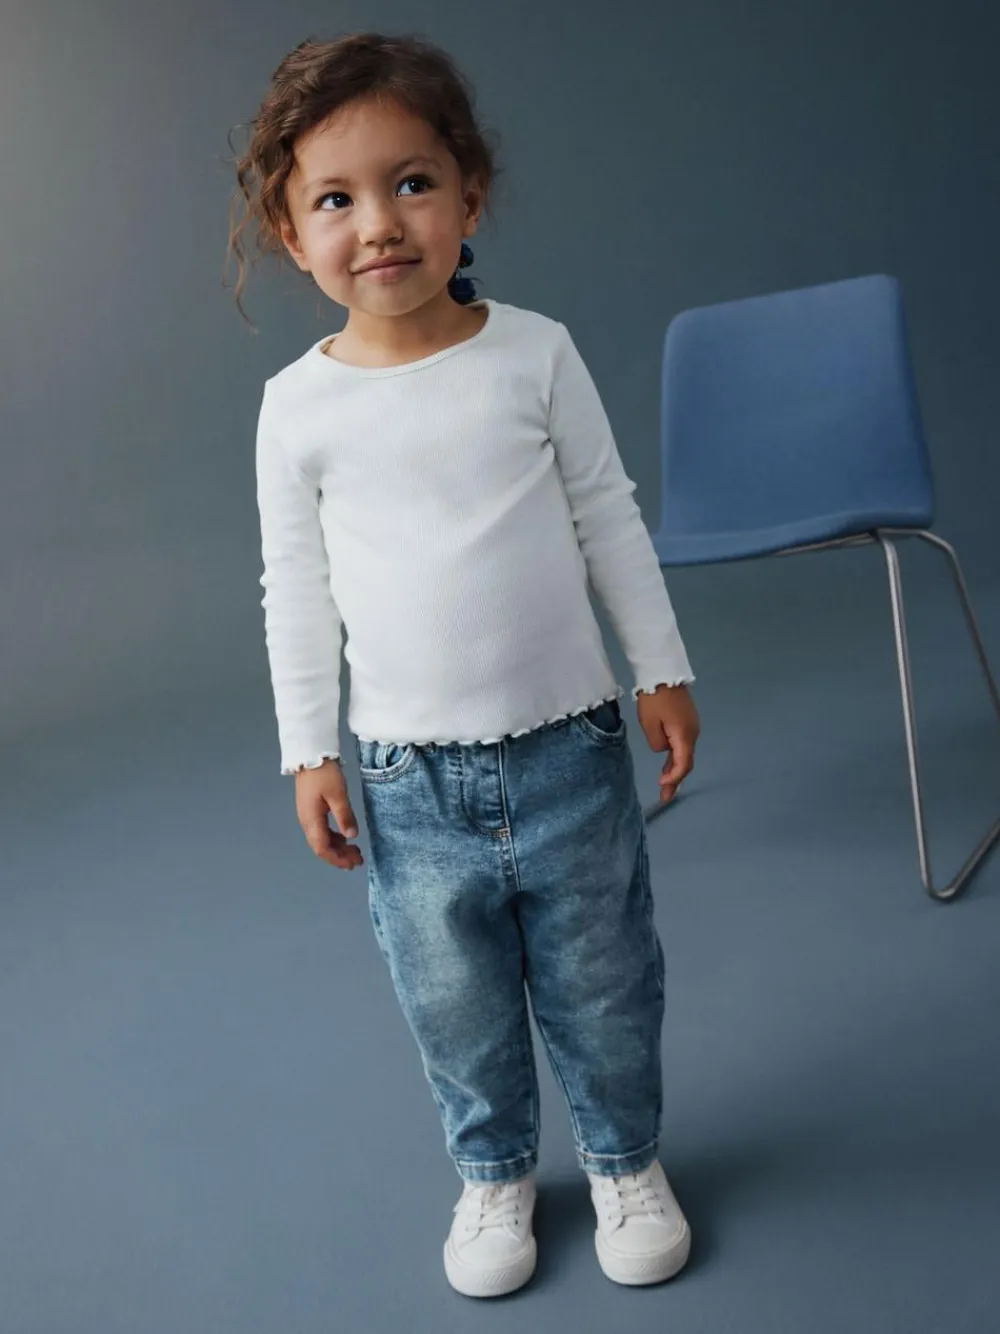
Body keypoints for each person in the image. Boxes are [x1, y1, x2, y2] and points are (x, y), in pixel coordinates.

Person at [226, 30, 701, 1299]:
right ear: (291, 233)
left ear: (469, 195)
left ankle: (624, 1157)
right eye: (336, 199)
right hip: (408, 781)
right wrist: (309, 749)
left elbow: (606, 515)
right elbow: (295, 589)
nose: (379, 223)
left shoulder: (533, 353)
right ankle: (494, 1172)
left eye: (412, 183)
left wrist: (659, 666)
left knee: (604, 979)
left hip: (570, 750)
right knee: (455, 999)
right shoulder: (296, 408)